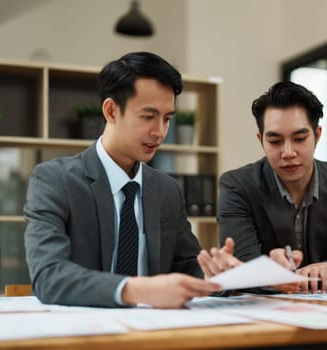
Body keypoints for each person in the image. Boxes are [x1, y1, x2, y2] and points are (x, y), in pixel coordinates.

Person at [24, 52, 237, 308]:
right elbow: (49, 276)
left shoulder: (166, 189)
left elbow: (187, 265)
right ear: (111, 110)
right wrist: (135, 289)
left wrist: (215, 274)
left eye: (167, 119)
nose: (159, 132)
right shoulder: (55, 180)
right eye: (148, 117)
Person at [218, 81, 327, 293]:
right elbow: (241, 268)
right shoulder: (237, 185)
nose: (288, 152)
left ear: (317, 135)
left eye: (300, 138)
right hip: (263, 311)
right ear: (261, 140)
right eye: (275, 141)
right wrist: (272, 272)